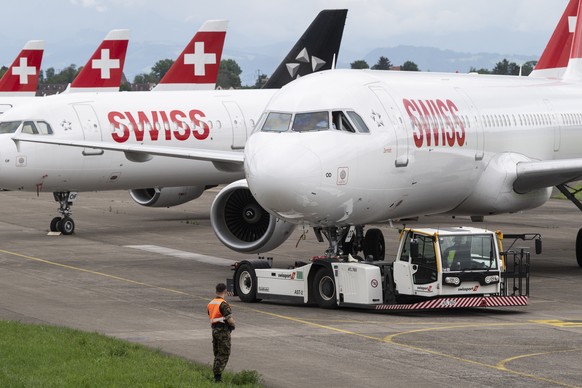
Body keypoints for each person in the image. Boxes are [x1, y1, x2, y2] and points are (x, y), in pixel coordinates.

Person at [208, 282, 235, 383]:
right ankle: (217, 378)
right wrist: (233, 324)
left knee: (217, 352)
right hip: (223, 331)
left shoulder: (211, 303)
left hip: (214, 330)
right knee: (224, 353)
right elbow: (229, 319)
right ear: (225, 291)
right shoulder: (223, 304)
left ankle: (216, 375)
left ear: (216, 291)